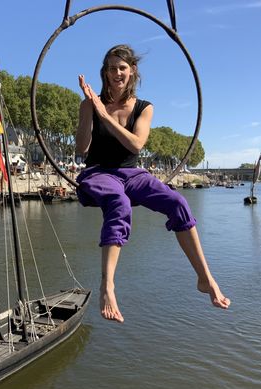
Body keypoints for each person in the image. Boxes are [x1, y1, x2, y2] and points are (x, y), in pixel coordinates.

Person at [75, 44, 230, 323]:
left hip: (132, 174)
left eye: (122, 67)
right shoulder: (91, 104)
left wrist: (105, 116)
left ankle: (205, 278)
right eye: (111, 68)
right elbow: (82, 148)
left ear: (131, 71)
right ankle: (107, 286)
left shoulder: (144, 108)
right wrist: (90, 110)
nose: (116, 73)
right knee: (119, 203)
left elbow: (135, 144)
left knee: (178, 203)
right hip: (98, 173)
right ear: (105, 72)